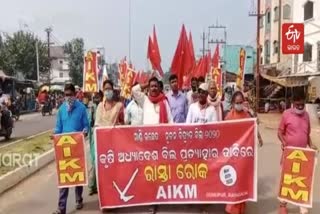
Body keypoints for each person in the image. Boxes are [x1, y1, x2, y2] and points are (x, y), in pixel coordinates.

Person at [277, 93, 318, 214]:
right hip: (289, 155)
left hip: (303, 157)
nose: (300, 107)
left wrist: (311, 145)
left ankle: (303, 206)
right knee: (286, 179)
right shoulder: (286, 114)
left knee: (303, 180)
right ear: (293, 103)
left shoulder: (306, 115)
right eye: (298, 105)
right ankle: (283, 204)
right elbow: (279, 132)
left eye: (302, 105)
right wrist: (284, 142)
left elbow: (307, 134)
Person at [53, 83, 89, 214]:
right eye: (66, 95)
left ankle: (79, 198)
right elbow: (58, 127)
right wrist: (55, 136)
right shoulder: (61, 110)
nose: (68, 97)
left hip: (77, 146)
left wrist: (85, 131)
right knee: (65, 177)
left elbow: (86, 125)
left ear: (75, 95)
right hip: (64, 148)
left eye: (70, 95)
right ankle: (61, 208)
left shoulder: (81, 108)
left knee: (77, 175)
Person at [224, 91, 251, 214]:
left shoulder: (247, 115)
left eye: (241, 102)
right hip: (233, 156)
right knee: (233, 182)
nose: (239, 104)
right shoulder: (229, 117)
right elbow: (224, 135)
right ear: (233, 103)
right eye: (237, 103)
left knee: (242, 182)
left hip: (244, 157)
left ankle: (240, 208)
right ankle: (231, 208)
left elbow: (252, 131)